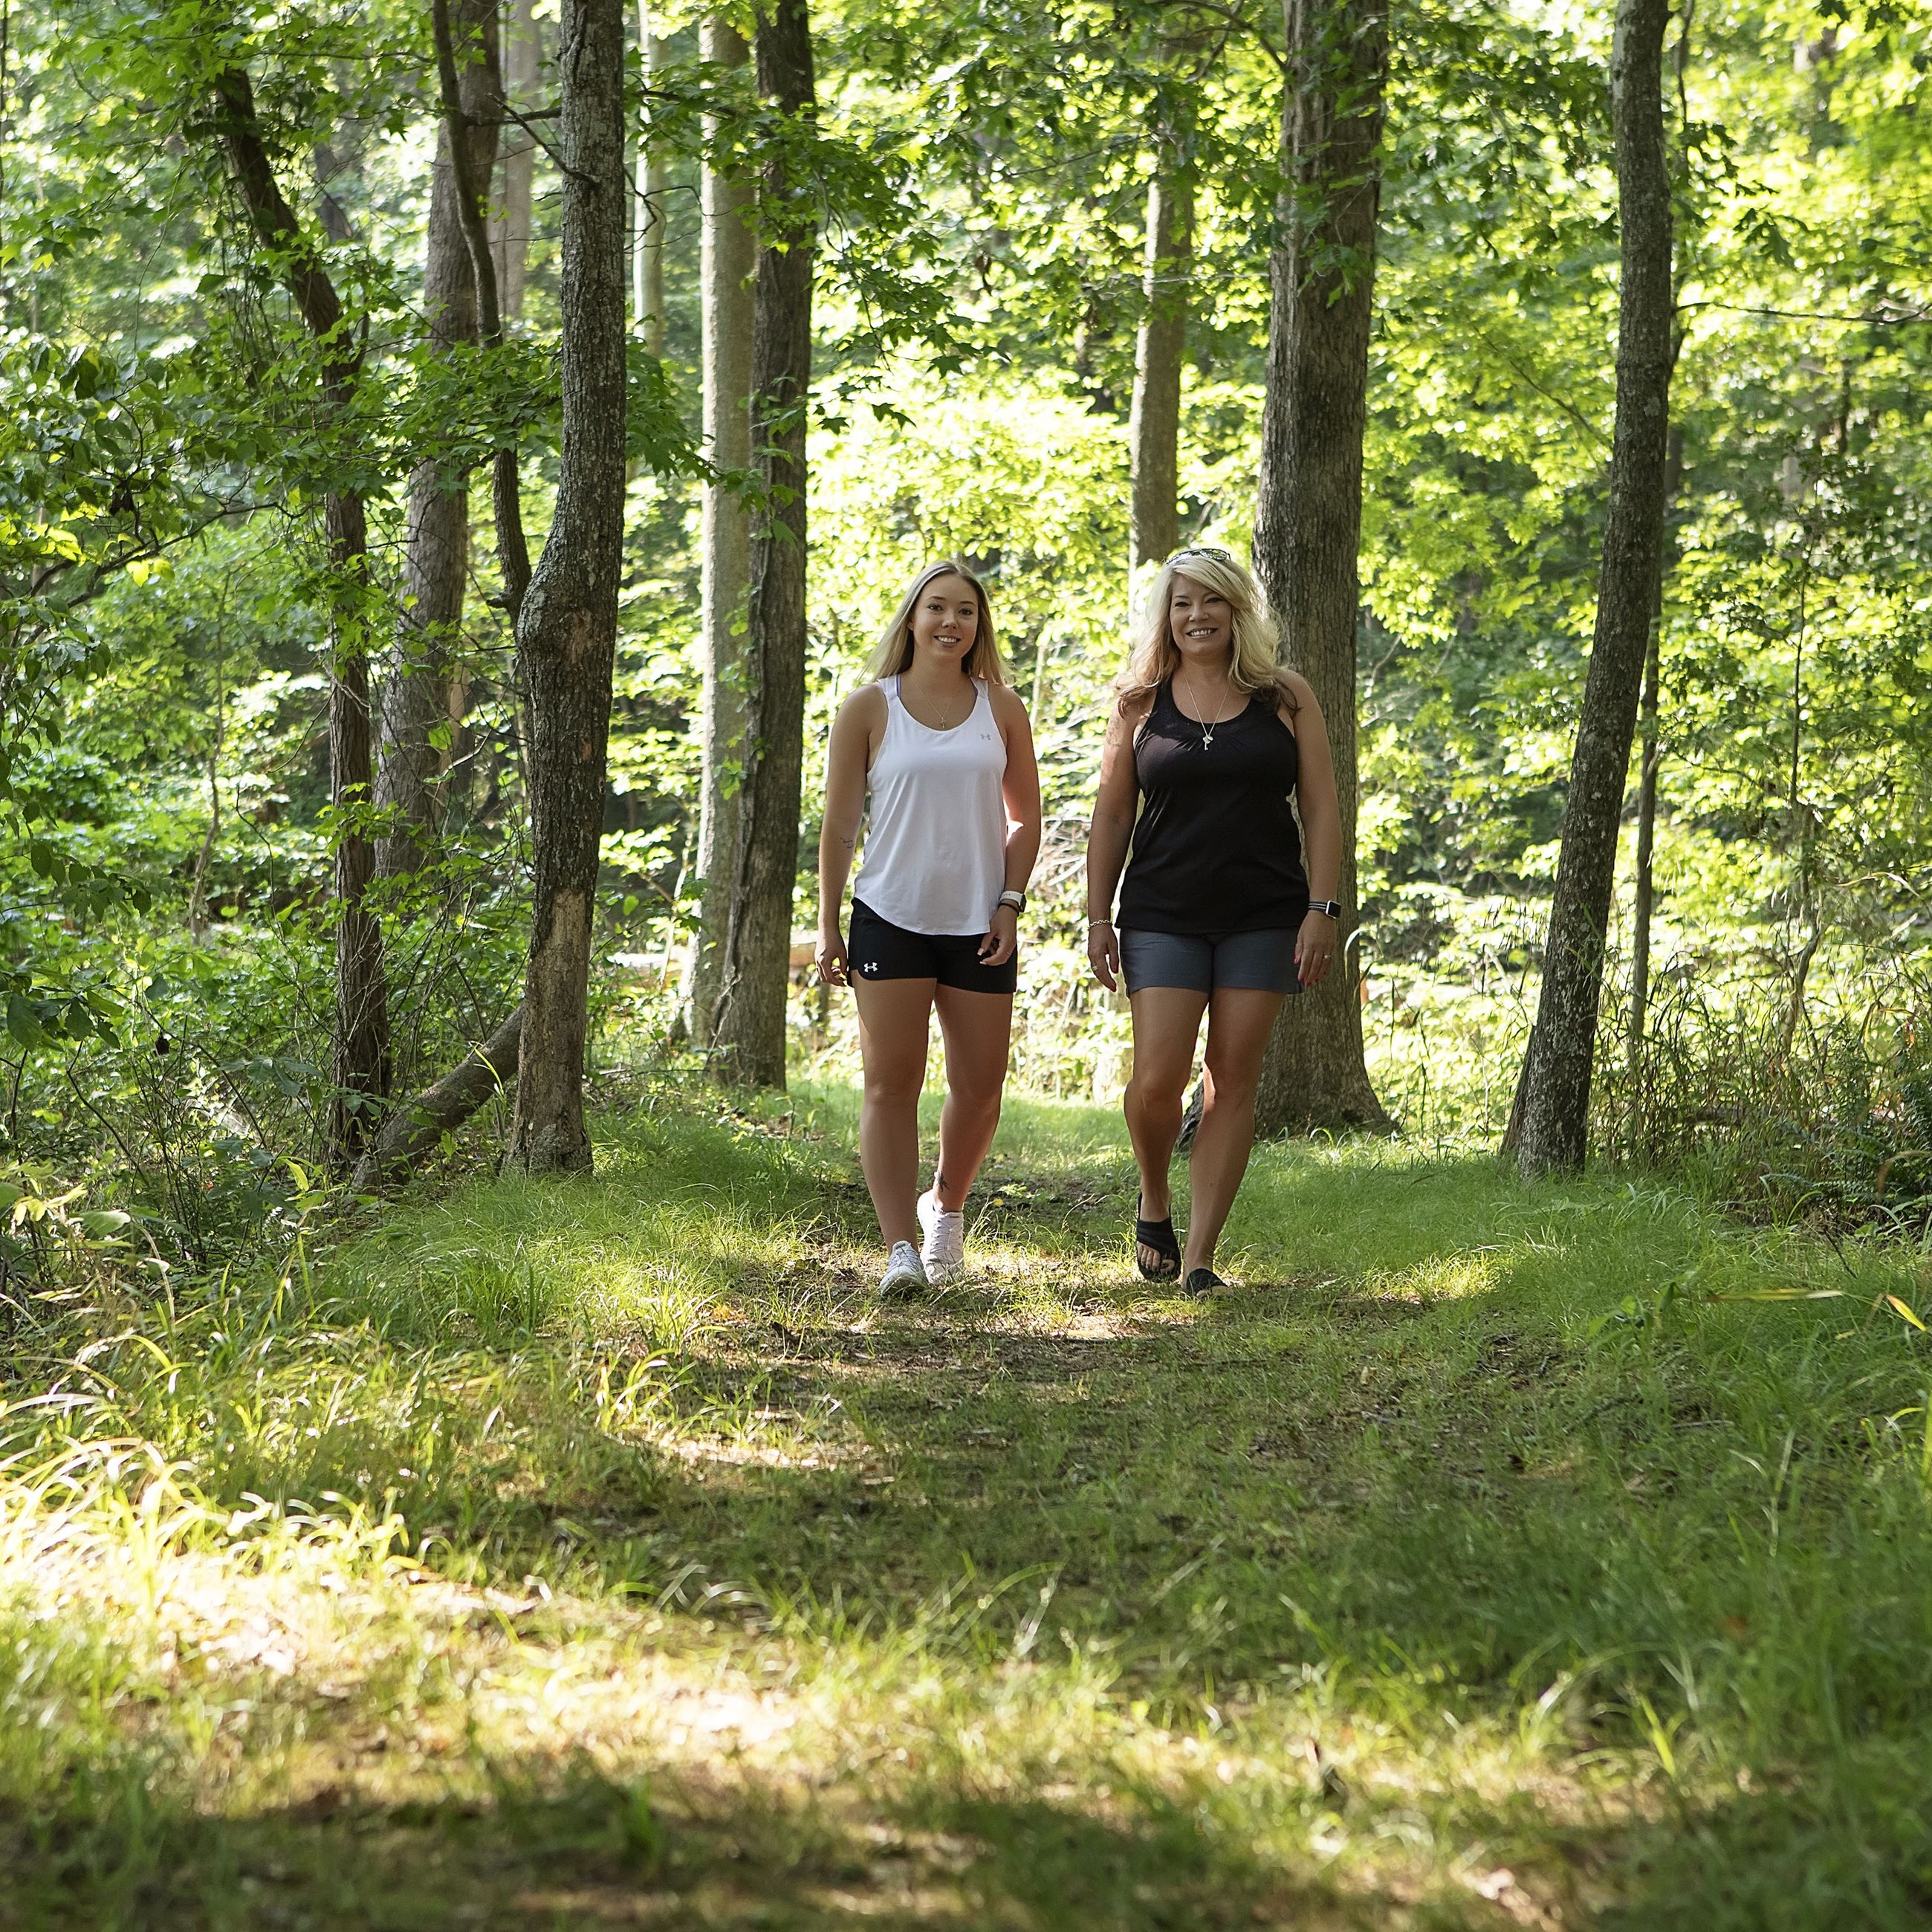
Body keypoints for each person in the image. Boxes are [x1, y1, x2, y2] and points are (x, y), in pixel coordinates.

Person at [1085, 547, 1343, 1294]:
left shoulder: (1283, 696)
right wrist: (1095, 917)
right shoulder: (1138, 701)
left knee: (1230, 1079)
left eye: (1211, 602)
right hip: (1161, 912)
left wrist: (1319, 908)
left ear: (1237, 611)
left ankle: (1198, 1258)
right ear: (1165, 616)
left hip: (1263, 913)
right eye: (1181, 603)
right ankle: (1154, 1196)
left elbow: (1321, 807)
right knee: (1158, 1079)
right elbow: (1110, 813)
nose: (1196, 615)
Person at [817, 560, 1043, 1297]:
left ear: (979, 626)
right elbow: (840, 824)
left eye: (966, 612)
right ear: (911, 618)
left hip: (979, 922)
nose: (951, 622)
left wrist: (1009, 901)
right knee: (889, 1085)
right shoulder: (867, 708)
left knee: (980, 1088)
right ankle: (900, 1250)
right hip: (889, 916)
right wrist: (827, 924)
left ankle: (943, 1204)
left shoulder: (1000, 707)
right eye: (937, 608)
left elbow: (1025, 817)